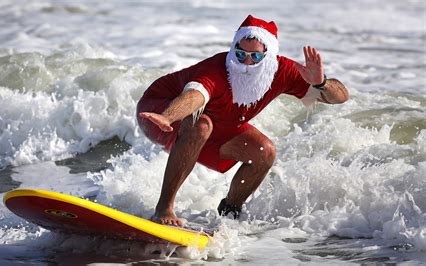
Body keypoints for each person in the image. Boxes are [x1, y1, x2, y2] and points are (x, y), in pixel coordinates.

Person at [136, 15, 349, 226]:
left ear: (269, 55)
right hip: (159, 112)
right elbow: (194, 96)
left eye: (255, 57)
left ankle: (229, 212)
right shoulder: (217, 68)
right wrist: (167, 116)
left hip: (214, 128)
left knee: (264, 151)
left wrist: (321, 83)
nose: (247, 62)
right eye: (240, 53)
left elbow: (340, 98)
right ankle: (163, 210)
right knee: (201, 125)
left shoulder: (283, 71)